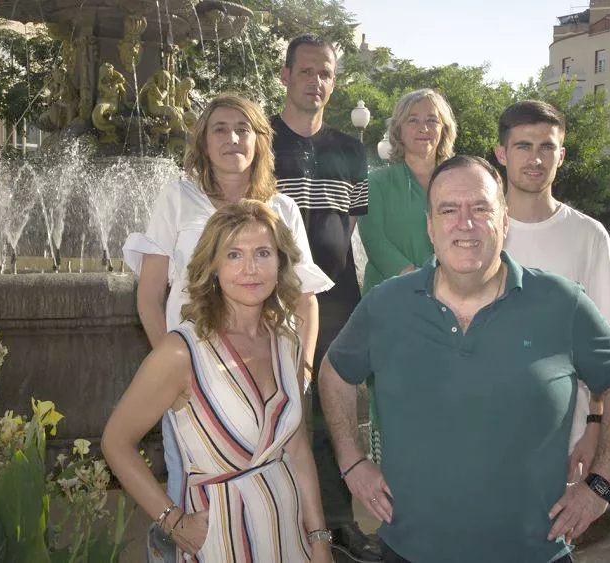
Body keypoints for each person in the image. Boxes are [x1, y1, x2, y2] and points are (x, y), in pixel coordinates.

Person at [319, 156, 610, 563]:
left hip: (533, 553)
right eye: (448, 210)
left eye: (480, 208)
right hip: (409, 551)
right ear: (430, 227)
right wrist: (352, 462)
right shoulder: (386, 304)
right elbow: (334, 373)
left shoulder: (562, 303)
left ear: (504, 222)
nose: (465, 223)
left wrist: (601, 484)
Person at [121, 93, 333, 559]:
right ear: (202, 140)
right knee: (189, 486)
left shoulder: (283, 208)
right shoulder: (179, 197)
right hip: (195, 378)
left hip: (268, 364)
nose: (232, 138)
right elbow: (149, 294)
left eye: (243, 129)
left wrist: (303, 372)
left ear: (260, 140)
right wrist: (181, 378)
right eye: (219, 128)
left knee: (283, 469)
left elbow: (305, 300)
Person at [271, 34, 378, 561]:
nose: (317, 82)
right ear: (286, 75)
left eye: (326, 74)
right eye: (307, 71)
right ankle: (281, 514)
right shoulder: (259, 139)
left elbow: (349, 223)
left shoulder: (351, 149)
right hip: (267, 298)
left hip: (337, 302)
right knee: (274, 407)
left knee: (333, 412)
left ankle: (339, 523)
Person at [494, 100, 610, 483]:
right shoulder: (475, 231)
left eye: (547, 147)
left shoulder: (588, 235)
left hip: (563, 436)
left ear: (562, 154)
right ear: (501, 153)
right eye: (523, 146)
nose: (535, 159)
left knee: (556, 537)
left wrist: (594, 425)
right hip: (482, 426)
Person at [358, 88, 457, 293]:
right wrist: (421, 283)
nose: (423, 128)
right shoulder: (375, 183)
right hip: (389, 298)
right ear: (398, 130)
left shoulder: (459, 183)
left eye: (432, 120)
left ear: (444, 129)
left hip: (452, 297)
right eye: (413, 121)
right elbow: (374, 241)